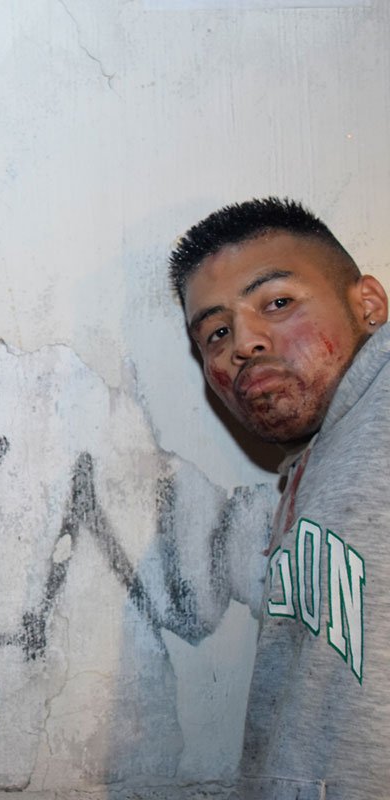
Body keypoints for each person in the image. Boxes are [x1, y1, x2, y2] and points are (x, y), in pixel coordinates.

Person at [168, 197, 389, 800]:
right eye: (216, 332)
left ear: (368, 305)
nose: (244, 342)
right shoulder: (314, 463)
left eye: (277, 303)